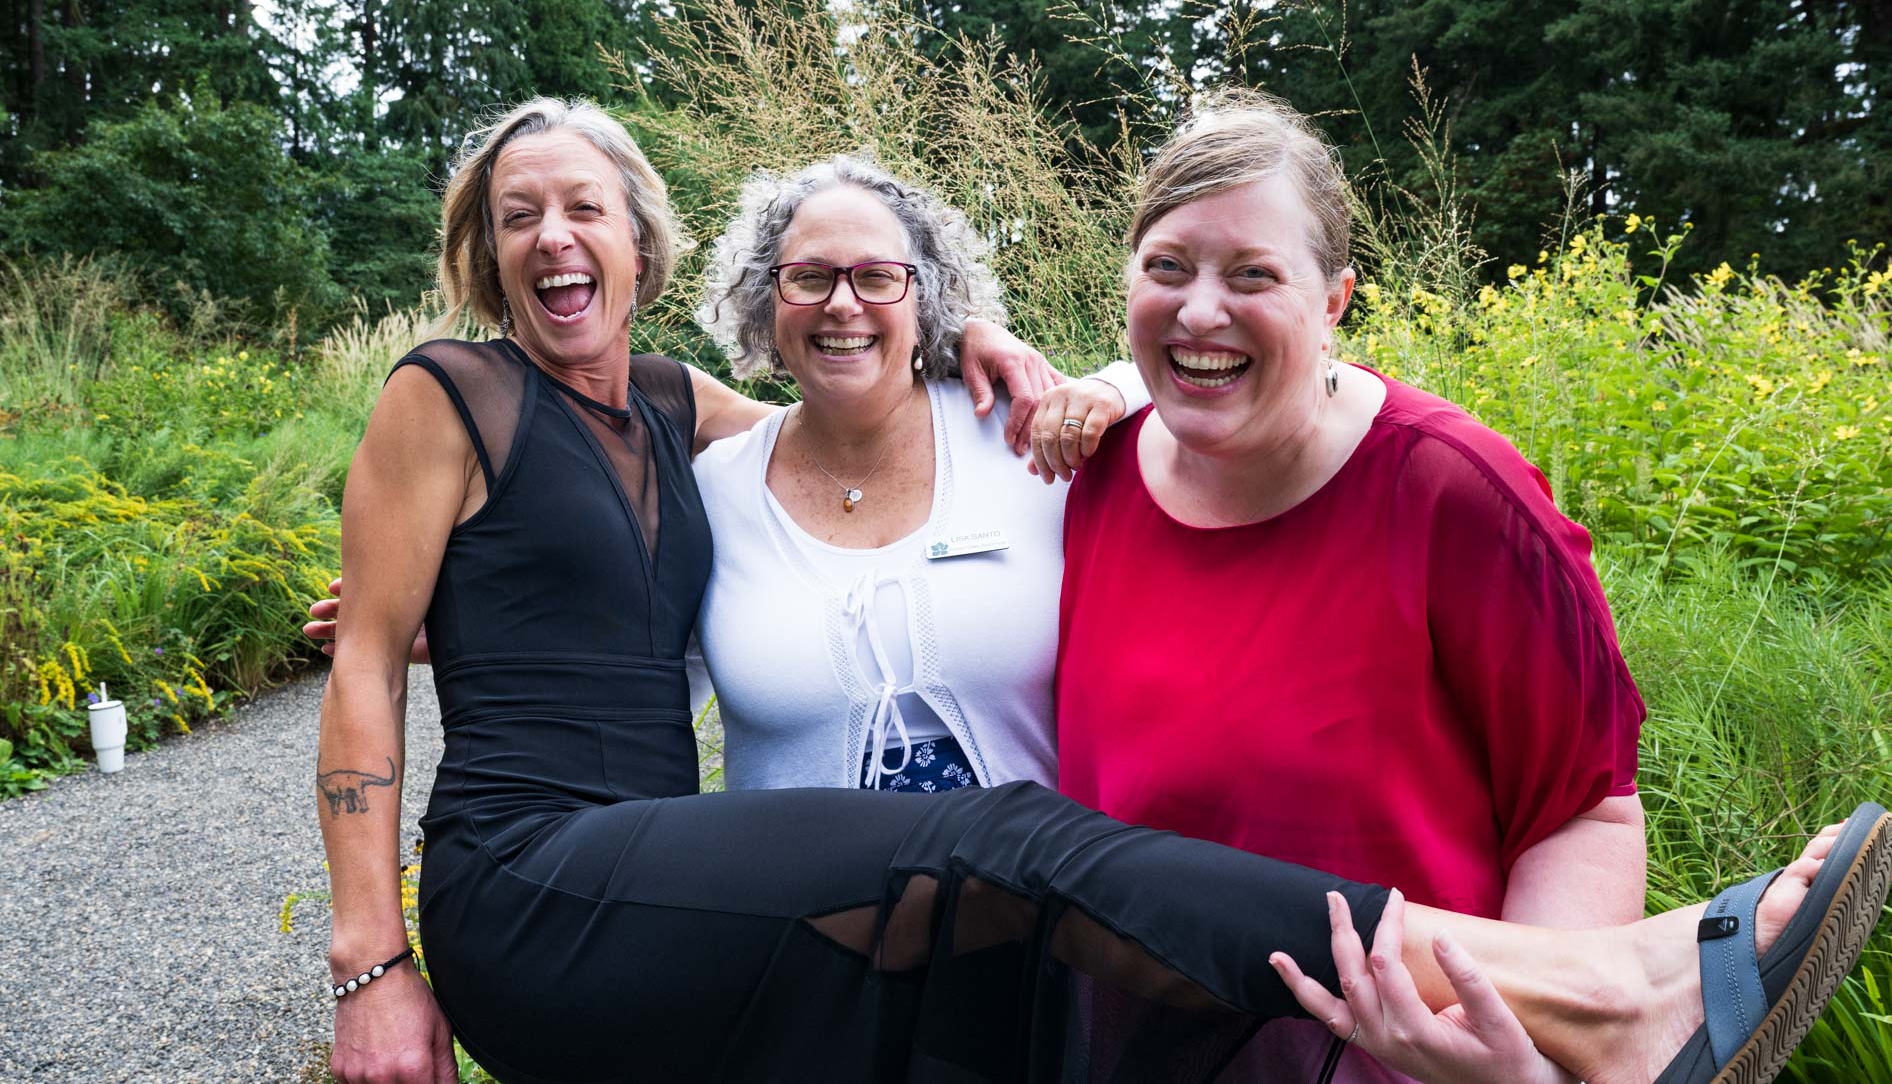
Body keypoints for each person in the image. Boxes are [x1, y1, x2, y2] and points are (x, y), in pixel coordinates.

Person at [314, 95, 1884, 1084]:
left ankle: (1593, 991)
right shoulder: (447, 391)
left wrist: (1016, 358)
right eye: (518, 214)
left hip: (813, 943)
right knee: (1010, 835)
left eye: (584, 206)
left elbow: (820, 406)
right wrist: (375, 966)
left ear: (643, 251)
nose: (553, 235)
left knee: (1030, 872)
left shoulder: (671, 412)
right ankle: (1613, 990)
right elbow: (368, 664)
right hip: (543, 888)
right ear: (481, 251)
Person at [1038, 90, 1647, 1078]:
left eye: (1252, 274)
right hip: (1130, 1047)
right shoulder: (1084, 473)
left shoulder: (1450, 487)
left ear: (1332, 300)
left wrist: (1521, 1051)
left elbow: (1584, 808)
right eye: (1166, 267)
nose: (1199, 309)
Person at [689, 153, 1140, 793]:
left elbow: (1210, 396)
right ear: (766, 299)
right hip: (793, 889)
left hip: (1026, 883)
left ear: (923, 295)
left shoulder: (1018, 434)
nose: (842, 304)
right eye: (809, 277)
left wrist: (1111, 388)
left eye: (877, 277)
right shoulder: (712, 492)